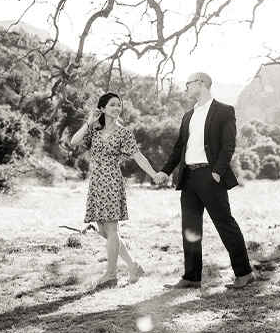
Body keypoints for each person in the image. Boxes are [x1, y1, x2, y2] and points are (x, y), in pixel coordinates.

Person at [154, 72, 255, 289]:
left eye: (188, 84)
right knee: (190, 228)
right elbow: (179, 148)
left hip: (210, 176)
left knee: (224, 224)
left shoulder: (224, 111)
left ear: (201, 83)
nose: (186, 88)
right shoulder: (188, 115)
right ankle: (191, 277)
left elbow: (229, 145)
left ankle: (244, 273)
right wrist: (165, 171)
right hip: (188, 177)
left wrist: (217, 172)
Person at [70, 91, 159, 290]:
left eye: (119, 105)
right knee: (105, 231)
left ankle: (111, 274)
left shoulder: (123, 133)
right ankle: (133, 265)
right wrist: (89, 122)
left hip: (111, 181)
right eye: (112, 104)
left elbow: (138, 156)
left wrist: (154, 174)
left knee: (111, 230)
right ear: (102, 108)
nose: (117, 108)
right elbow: (74, 142)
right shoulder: (93, 130)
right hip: (96, 183)